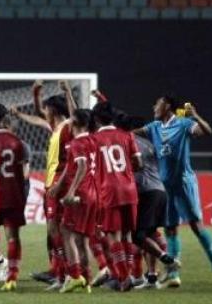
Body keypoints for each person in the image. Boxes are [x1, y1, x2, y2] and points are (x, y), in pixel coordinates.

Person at [134, 96, 212, 291]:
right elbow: (131, 133)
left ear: (167, 106)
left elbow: (207, 131)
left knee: (196, 226)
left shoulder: (184, 124)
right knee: (170, 228)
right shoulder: (154, 127)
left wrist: (196, 116)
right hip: (165, 187)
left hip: (184, 183)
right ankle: (174, 275)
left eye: (156, 103)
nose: (153, 106)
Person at [11, 80, 73, 289]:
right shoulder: (55, 126)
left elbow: (72, 160)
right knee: (53, 232)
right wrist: (35, 92)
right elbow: (37, 113)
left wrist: (66, 92)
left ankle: (67, 274)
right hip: (51, 184)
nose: (43, 112)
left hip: (60, 184)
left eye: (46, 109)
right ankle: (58, 272)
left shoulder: (68, 128)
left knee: (61, 231)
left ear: (53, 111)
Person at [116, 113, 180, 290]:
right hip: (159, 190)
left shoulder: (130, 142)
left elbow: (136, 165)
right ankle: (151, 278)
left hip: (146, 192)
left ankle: (167, 259)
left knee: (138, 235)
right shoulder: (150, 144)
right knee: (151, 233)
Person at [91, 102, 142, 292]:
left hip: (108, 191)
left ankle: (123, 276)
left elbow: (92, 169)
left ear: (96, 120)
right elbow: (138, 162)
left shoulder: (94, 139)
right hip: (129, 189)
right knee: (128, 234)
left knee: (113, 236)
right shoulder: (127, 135)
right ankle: (127, 273)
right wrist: (127, 171)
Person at [50, 109, 98, 293]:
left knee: (66, 231)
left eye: (71, 119)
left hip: (80, 194)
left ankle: (75, 276)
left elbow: (82, 166)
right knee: (82, 239)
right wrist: (59, 184)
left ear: (76, 123)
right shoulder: (93, 140)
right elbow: (71, 167)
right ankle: (87, 280)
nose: (68, 122)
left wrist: (70, 191)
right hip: (94, 194)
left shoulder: (77, 143)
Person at [0, 103, 30, 291]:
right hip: (13, 194)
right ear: (5, 119)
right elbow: (24, 173)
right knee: (13, 237)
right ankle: (12, 277)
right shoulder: (17, 142)